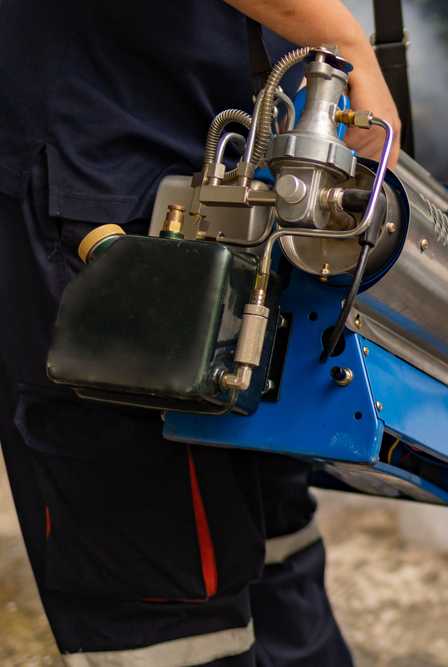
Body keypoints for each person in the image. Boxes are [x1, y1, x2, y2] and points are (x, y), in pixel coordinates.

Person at [0, 1, 400, 664]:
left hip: (228, 149)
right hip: (106, 174)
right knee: (162, 601)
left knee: (267, 529)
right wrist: (337, 37)